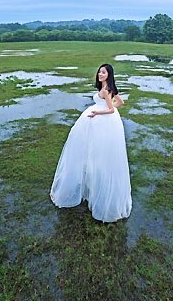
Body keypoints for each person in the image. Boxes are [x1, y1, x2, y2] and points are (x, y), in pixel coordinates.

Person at [50, 63, 132, 222]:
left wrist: (97, 112)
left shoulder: (106, 89)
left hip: (102, 120)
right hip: (105, 120)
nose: (100, 74)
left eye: (104, 72)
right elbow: (120, 102)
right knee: (94, 153)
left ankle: (97, 190)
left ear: (109, 75)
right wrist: (106, 108)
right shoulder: (107, 88)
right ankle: (92, 186)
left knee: (97, 153)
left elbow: (111, 109)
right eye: (99, 72)